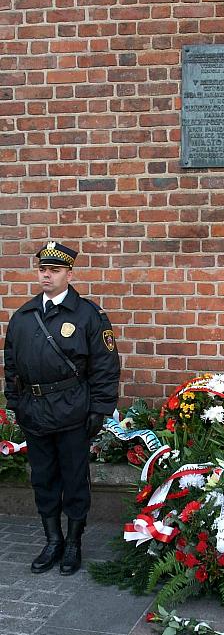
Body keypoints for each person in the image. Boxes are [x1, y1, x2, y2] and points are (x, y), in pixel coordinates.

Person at [3, 241, 120, 576]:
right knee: (43, 479)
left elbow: (105, 365)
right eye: (43, 269)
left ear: (69, 273)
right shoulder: (24, 316)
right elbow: (11, 364)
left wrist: (99, 408)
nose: (47, 276)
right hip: (35, 413)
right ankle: (52, 540)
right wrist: (16, 403)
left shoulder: (88, 315)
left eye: (54, 270)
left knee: (74, 480)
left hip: (72, 412)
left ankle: (73, 544)